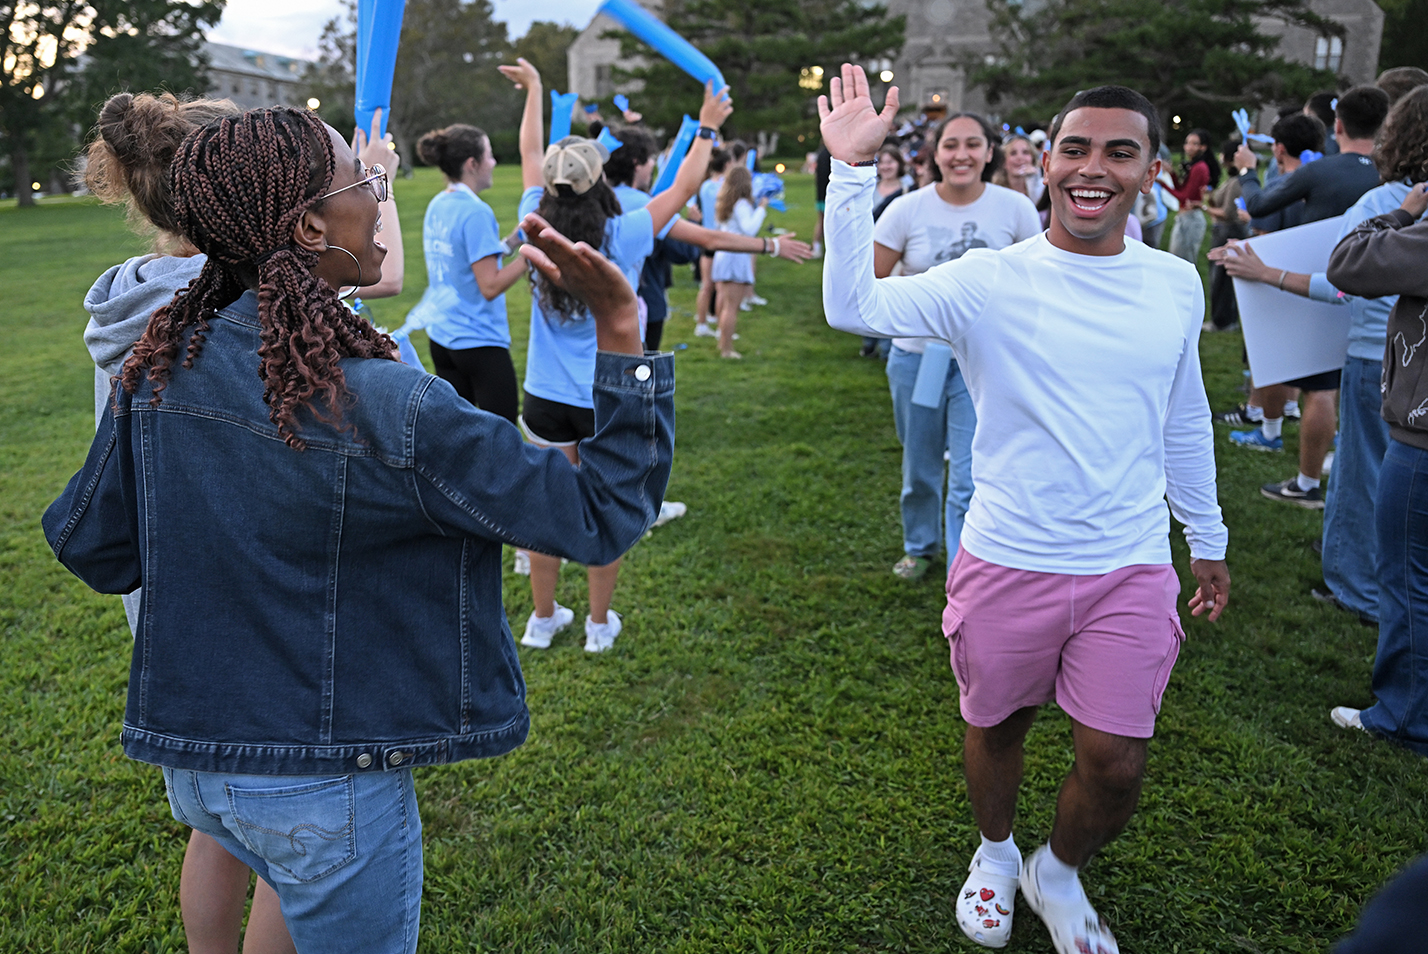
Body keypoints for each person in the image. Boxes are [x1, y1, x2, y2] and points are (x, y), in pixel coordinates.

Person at [44, 103, 674, 954]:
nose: (380, 200)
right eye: (362, 182)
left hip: (200, 767)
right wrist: (622, 332)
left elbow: (93, 543)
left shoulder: (160, 363)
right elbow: (599, 516)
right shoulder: (388, 403)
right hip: (323, 783)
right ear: (308, 223)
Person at [819, 67, 1230, 953]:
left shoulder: (1173, 283)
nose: (1094, 168)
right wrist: (852, 175)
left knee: (1117, 764)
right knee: (997, 725)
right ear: (1045, 162)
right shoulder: (989, 280)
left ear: (1151, 170)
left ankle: (1060, 869)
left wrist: (1208, 534)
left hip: (1129, 564)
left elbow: (1183, 413)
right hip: (1008, 554)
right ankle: (999, 855)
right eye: (1074, 148)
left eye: (1120, 152)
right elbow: (852, 304)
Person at [80, 92, 408, 954]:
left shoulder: (130, 309)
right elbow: (379, 302)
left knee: (218, 816)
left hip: (171, 591)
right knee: (282, 828)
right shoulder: (256, 312)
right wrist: (381, 196)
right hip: (266, 603)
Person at [500, 57, 730, 651]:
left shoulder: (533, 219)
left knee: (548, 509)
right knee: (606, 509)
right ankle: (599, 625)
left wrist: (535, 91)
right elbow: (683, 188)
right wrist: (705, 127)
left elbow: (529, 149)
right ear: (603, 177)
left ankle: (543, 619)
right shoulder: (623, 229)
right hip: (608, 397)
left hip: (546, 399)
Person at [1210, 87, 1428, 625]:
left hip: (1378, 355)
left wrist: (1267, 274)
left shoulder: (1387, 203)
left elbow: (1345, 278)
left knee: (1363, 478)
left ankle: (1357, 588)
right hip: (1404, 356)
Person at [871, 111, 1040, 581]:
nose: (961, 155)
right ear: (935, 152)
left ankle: (964, 570)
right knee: (920, 466)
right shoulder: (907, 208)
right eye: (950, 145)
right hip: (915, 360)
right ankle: (919, 547)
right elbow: (871, 284)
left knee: (971, 475)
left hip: (984, 365)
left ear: (990, 153)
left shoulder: (1015, 209)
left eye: (972, 145)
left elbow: (1034, 286)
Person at [1227, 86, 1390, 507]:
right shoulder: (1393, 176)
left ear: (1337, 125)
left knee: (1318, 386)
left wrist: (1247, 169)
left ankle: (1306, 481)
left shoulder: (1324, 171)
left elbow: (1259, 205)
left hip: (1321, 283)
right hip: (1389, 295)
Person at [1326, 179, 1428, 752]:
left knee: (1410, 576)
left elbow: (1349, 262)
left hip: (1423, 439)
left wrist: (1403, 212)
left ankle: (1405, 715)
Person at [412, 123, 526, 426]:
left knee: (459, 440)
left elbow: (461, 260)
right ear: (472, 164)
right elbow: (489, 285)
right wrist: (531, 257)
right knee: (502, 444)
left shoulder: (438, 204)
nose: (494, 162)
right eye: (489, 156)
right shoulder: (477, 212)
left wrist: (510, 244)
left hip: (443, 341)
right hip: (478, 344)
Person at [709, 165, 767, 358]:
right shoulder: (741, 204)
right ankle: (727, 349)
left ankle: (722, 340)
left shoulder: (724, 201)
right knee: (731, 307)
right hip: (735, 254)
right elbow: (750, 230)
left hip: (723, 254)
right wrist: (761, 209)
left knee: (724, 300)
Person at [1166, 128, 1218, 262]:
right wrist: (1172, 173)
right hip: (1185, 216)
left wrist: (1162, 185)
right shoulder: (1194, 166)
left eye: (1194, 143)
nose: (1188, 147)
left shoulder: (1199, 168)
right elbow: (1182, 190)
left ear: (1203, 147)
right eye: (1187, 143)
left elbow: (1185, 197)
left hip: (1190, 218)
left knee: (1182, 261)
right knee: (1175, 258)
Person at [992, 133, 1044, 205]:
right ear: (1003, 161)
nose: (1020, 157)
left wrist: (1033, 185)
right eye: (1013, 153)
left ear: (1033, 158)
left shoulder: (1044, 190)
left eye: (1025, 152)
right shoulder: (994, 193)